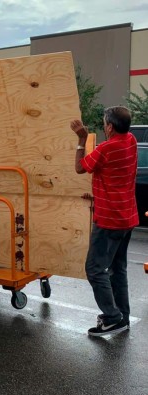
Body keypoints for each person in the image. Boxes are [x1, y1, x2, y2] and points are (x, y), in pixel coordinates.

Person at [70, 106, 138, 337]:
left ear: (109, 127)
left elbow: (80, 168)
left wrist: (81, 139)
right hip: (127, 217)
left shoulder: (107, 148)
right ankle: (123, 318)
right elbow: (110, 176)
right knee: (118, 269)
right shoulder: (131, 141)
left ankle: (112, 317)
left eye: (104, 123)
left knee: (95, 269)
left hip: (109, 220)